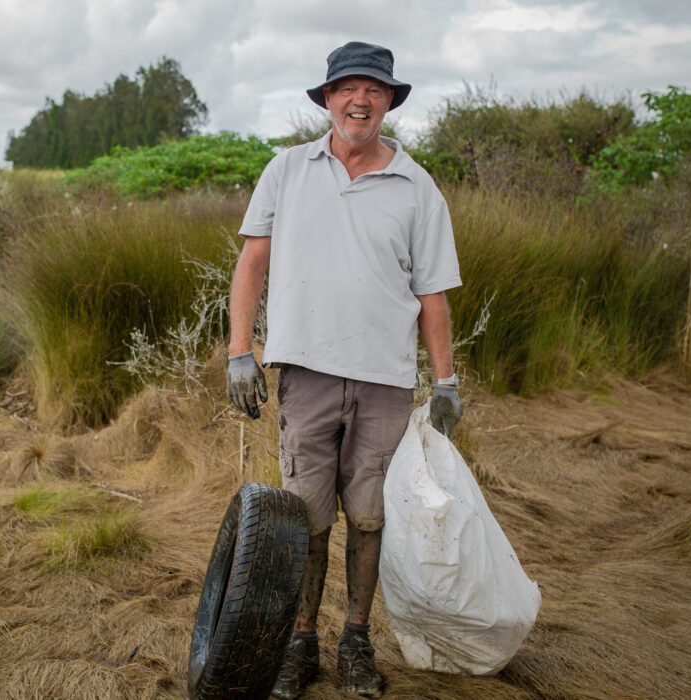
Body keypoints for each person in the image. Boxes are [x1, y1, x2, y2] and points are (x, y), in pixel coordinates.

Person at [226, 41, 463, 699]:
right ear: (328, 99)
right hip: (305, 370)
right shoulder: (286, 170)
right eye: (347, 90)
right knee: (306, 515)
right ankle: (301, 641)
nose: (360, 101)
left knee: (369, 516)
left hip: (385, 377)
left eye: (375, 91)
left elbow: (433, 295)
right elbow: (251, 263)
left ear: (389, 102)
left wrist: (445, 383)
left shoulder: (417, 186)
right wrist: (239, 352)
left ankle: (355, 639)